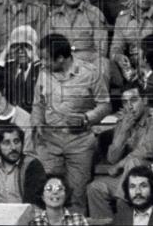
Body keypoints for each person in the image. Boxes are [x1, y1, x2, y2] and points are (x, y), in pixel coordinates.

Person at [31, 33, 110, 214]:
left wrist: (87, 118)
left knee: (76, 195)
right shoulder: (43, 74)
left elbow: (105, 105)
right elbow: (38, 104)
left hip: (80, 142)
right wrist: (37, 123)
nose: (42, 63)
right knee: (48, 194)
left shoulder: (90, 73)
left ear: (60, 58)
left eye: (45, 59)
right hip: (49, 142)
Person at [87, 83, 153, 219]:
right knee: (95, 188)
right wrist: (123, 131)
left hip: (151, 177)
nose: (129, 106)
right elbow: (112, 158)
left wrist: (119, 165)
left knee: (133, 161)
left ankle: (123, 205)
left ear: (144, 100)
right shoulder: (123, 121)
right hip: (126, 178)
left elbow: (147, 151)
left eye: (134, 100)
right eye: (125, 102)